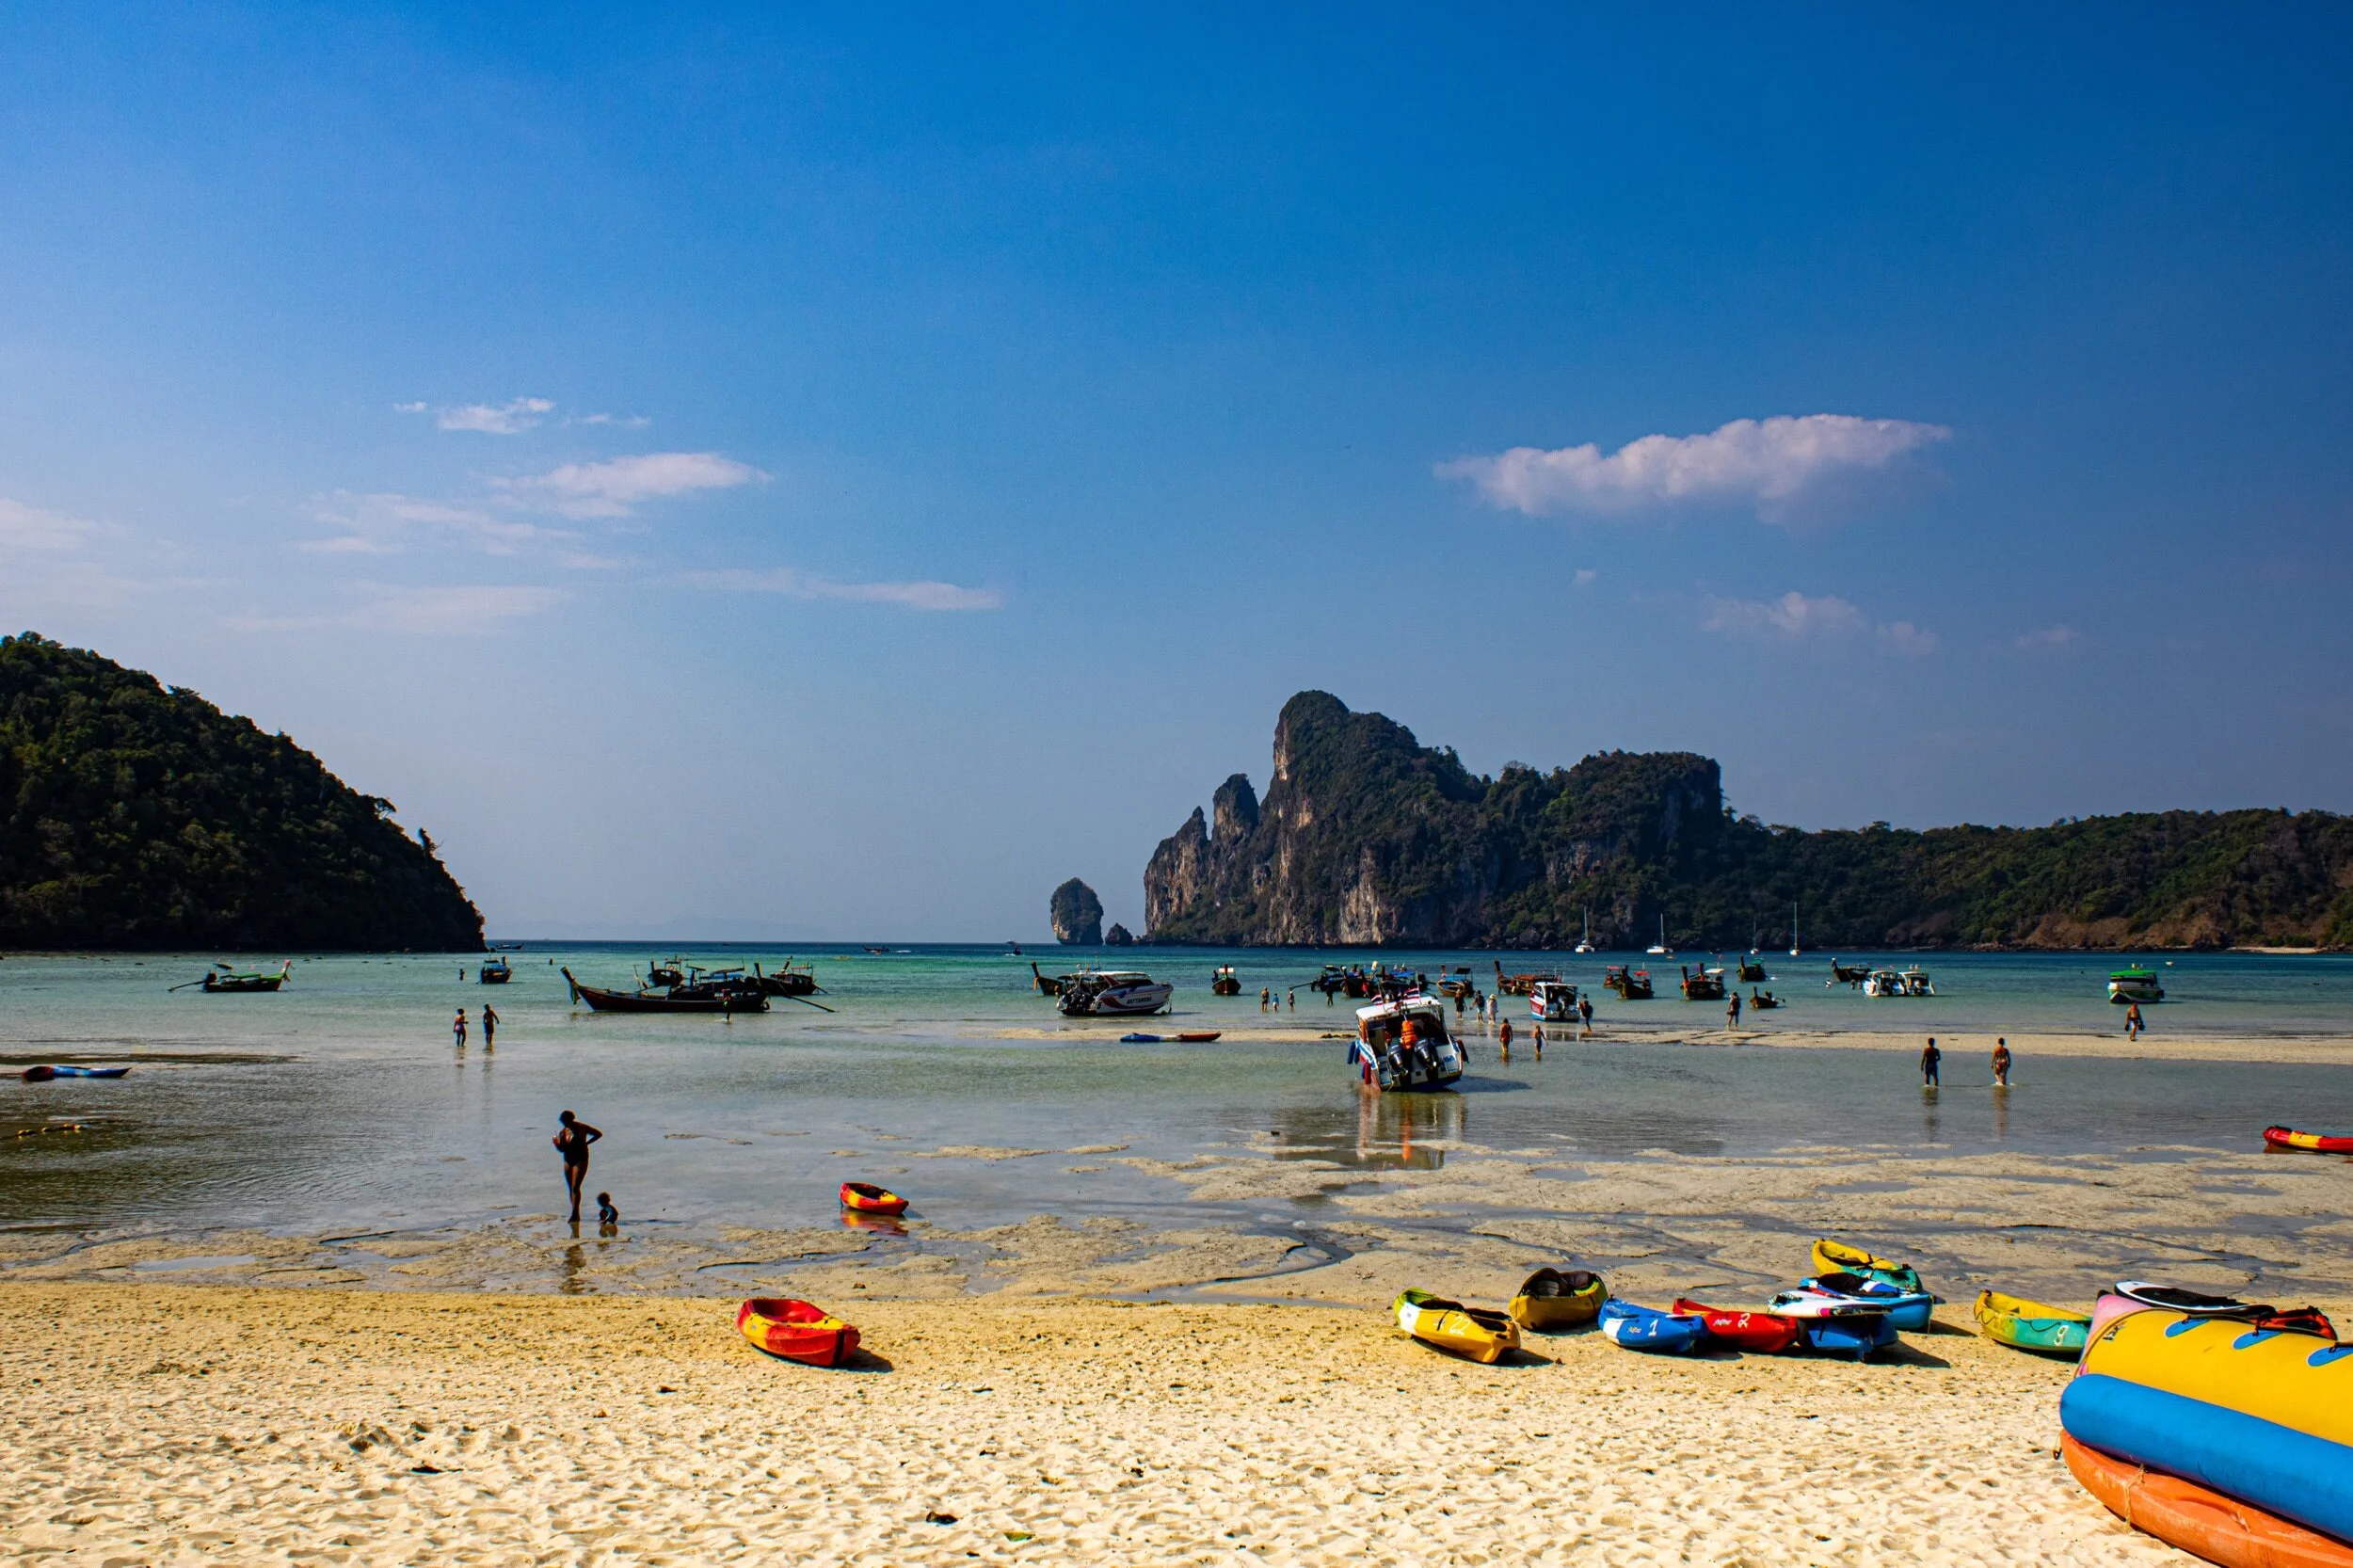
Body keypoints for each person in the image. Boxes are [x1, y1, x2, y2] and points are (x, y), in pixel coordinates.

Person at [552, 1111, 602, 1224]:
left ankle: (575, 1214)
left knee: (576, 1187)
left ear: (572, 1119)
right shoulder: (562, 1132)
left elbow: (598, 1134)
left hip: (581, 1158)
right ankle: (575, 1212)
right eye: (563, 1122)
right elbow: (562, 1150)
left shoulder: (581, 1127)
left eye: (567, 1121)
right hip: (568, 1159)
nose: (565, 1124)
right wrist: (556, 1144)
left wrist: (587, 1143)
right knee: (571, 1187)